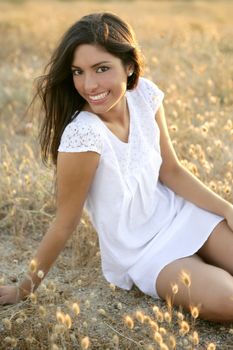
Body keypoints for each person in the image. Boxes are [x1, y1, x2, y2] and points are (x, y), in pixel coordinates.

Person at [0, 12, 233, 323]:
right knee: (229, 300)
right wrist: (24, 289)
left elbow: (172, 170)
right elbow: (64, 223)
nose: (89, 84)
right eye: (78, 72)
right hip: (146, 253)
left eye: (102, 69)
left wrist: (227, 209)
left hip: (180, 214)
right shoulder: (83, 135)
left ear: (130, 66)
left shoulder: (145, 95)